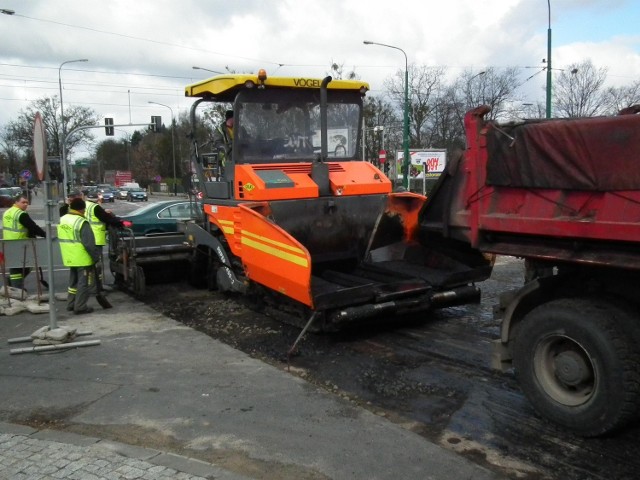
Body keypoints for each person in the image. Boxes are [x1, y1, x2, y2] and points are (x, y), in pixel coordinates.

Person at [61, 190, 124, 293]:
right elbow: (107, 219)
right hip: (95, 239)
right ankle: (95, 288)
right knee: (95, 266)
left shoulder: (77, 206)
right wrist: (120, 222)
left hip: (80, 240)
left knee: (83, 268)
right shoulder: (94, 207)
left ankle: (90, 288)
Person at [57, 198, 100, 315]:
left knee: (73, 282)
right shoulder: (81, 222)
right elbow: (89, 243)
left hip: (68, 256)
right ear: (82, 209)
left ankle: (71, 304)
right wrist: (96, 257)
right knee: (83, 283)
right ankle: (80, 306)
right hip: (82, 257)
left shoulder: (62, 219)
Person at [2, 193, 46, 291]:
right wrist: (45, 235)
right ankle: (16, 288)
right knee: (19, 268)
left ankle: (13, 284)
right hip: (20, 244)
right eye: (23, 202)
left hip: (9, 244)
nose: (25, 204)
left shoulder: (7, 212)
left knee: (18, 266)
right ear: (16, 202)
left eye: (27, 202)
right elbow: (33, 227)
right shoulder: (21, 214)